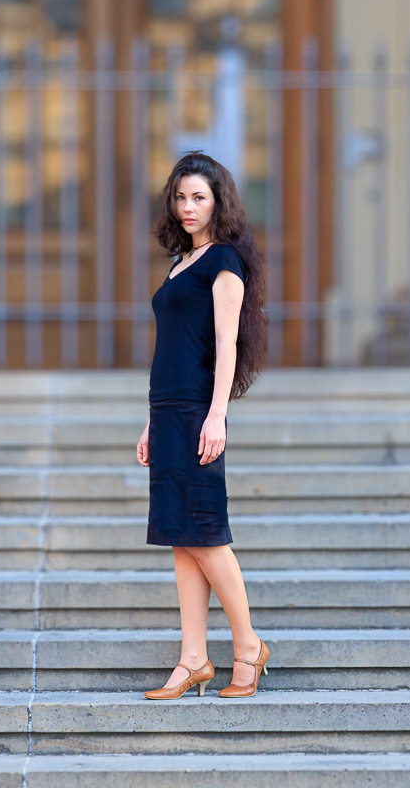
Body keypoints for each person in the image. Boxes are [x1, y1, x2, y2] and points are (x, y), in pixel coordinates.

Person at [136, 151, 270, 700]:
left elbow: (226, 345)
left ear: (220, 203)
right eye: (181, 197)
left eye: (200, 197)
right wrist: (150, 422)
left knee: (207, 536)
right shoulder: (179, 264)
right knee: (181, 539)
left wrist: (217, 416)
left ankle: (248, 647)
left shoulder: (224, 264)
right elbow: (171, 346)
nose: (188, 207)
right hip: (167, 412)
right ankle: (193, 658)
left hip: (196, 411)